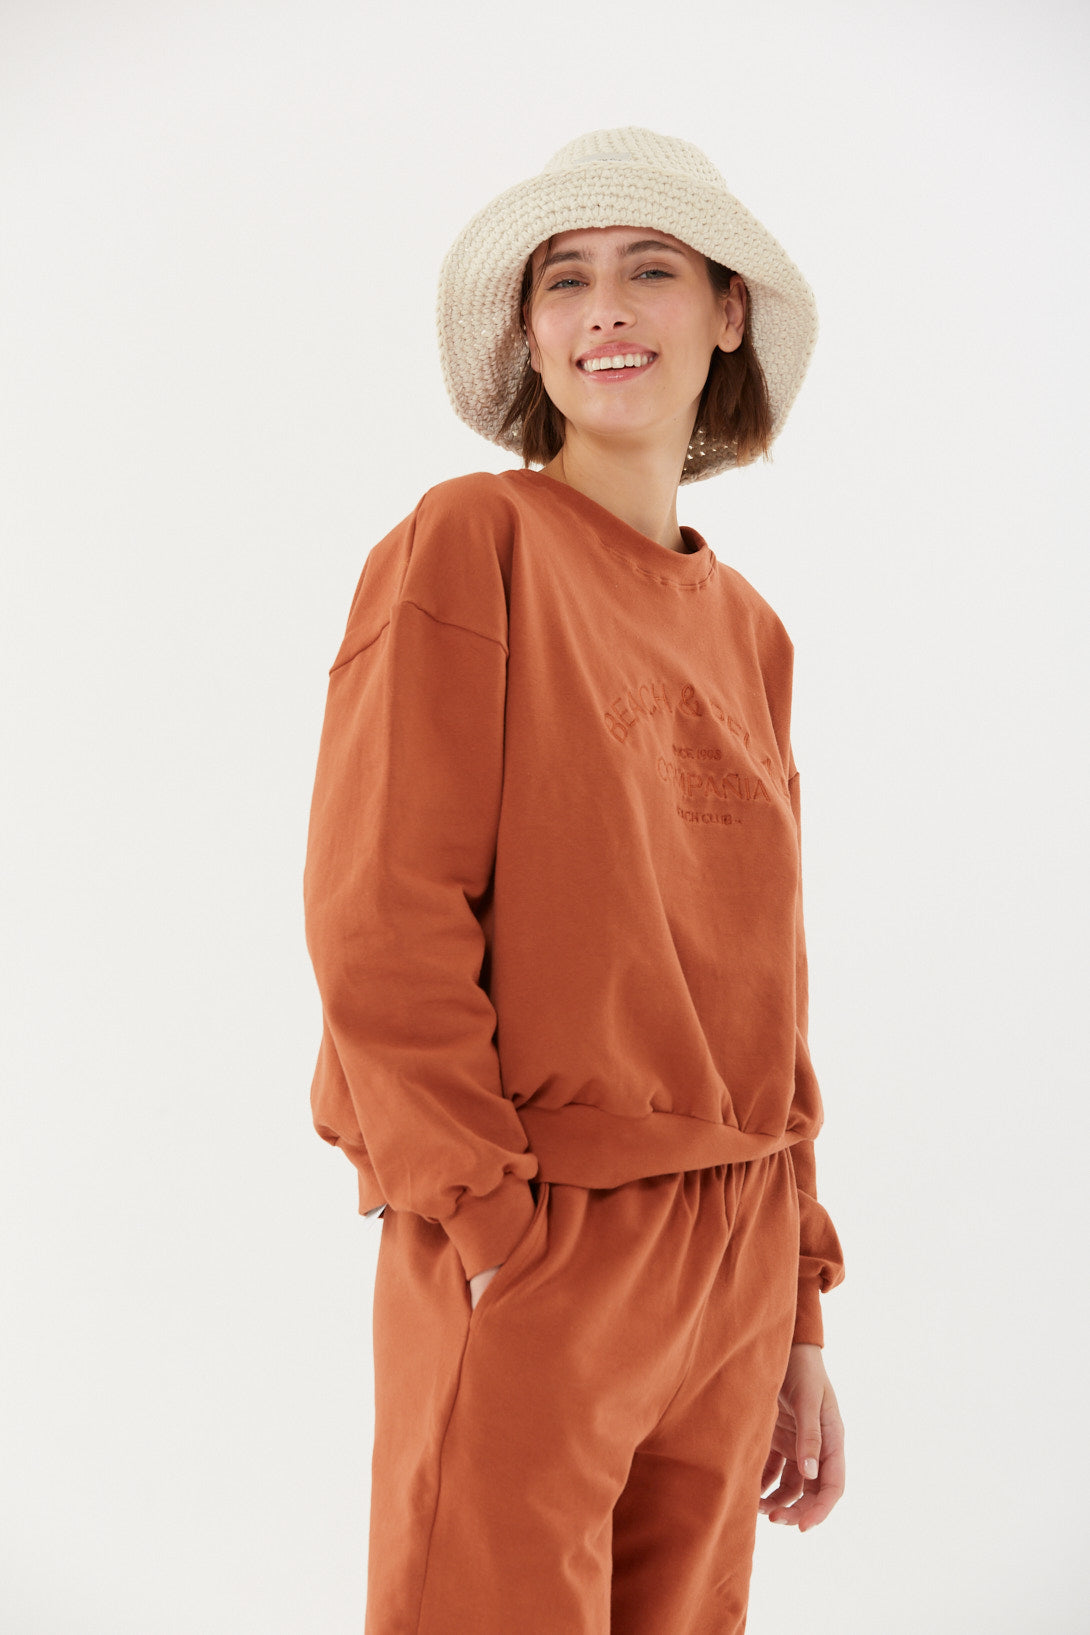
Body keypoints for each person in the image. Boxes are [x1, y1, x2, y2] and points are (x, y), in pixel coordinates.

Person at [303, 125, 847, 1635]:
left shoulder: (749, 631)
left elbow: (768, 980)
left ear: (726, 313)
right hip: (540, 1224)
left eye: (650, 269)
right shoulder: (469, 543)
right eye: (566, 280)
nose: (605, 308)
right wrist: (488, 1228)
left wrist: (794, 1303)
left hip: (733, 1253)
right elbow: (379, 911)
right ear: (532, 335)